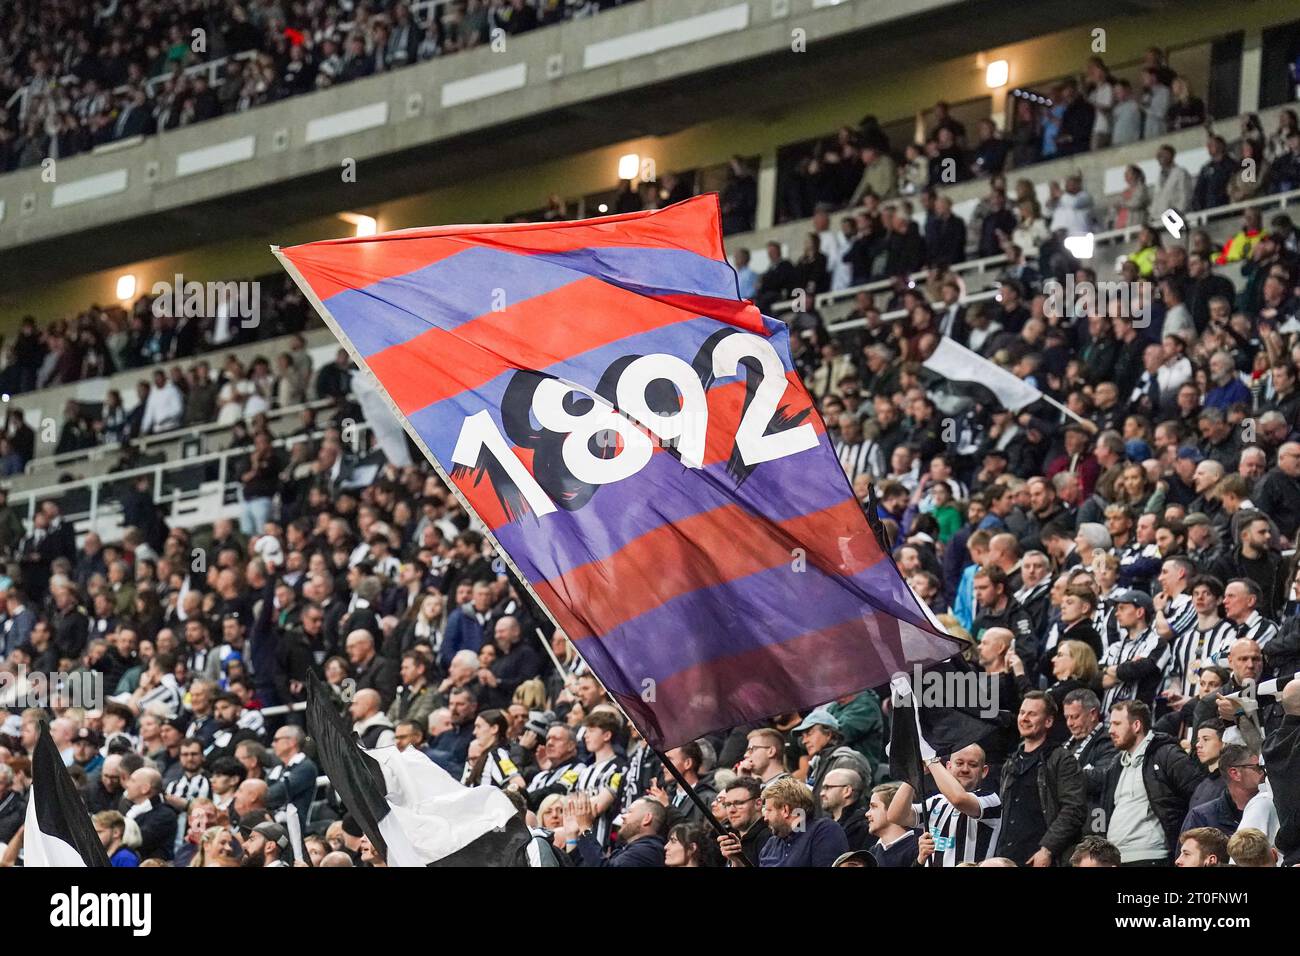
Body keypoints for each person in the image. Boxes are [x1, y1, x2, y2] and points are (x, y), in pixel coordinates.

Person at [1100, 699, 1205, 865]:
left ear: (1136, 726)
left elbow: (1199, 793)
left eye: (1117, 724)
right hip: (1117, 858)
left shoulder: (1165, 753)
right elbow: (1103, 810)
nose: (1110, 730)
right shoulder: (1116, 765)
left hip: (1151, 857)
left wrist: (1184, 842)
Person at [996, 691, 1086, 866]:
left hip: (1042, 859)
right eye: (1022, 713)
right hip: (1008, 856)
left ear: (1049, 721)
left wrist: (1047, 849)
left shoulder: (1061, 759)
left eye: (1032, 714)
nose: (1024, 718)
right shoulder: (1011, 762)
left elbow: (1074, 810)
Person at [887, 743, 1002, 866]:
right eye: (959, 763)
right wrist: (914, 774)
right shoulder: (937, 801)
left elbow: (959, 800)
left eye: (973, 765)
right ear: (948, 767)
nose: (965, 769)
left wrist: (931, 759)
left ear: (984, 771)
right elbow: (895, 816)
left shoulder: (990, 799)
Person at [758, 776, 848, 867]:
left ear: (785, 810)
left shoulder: (824, 831)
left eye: (769, 810)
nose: (765, 817)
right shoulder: (771, 844)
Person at [716, 776, 771, 868]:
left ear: (758, 804)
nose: (731, 810)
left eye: (738, 803)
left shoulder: (769, 838)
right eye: (728, 804)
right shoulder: (731, 840)